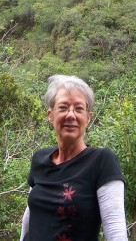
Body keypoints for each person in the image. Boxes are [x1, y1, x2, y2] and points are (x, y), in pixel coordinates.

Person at [20, 74, 128, 241]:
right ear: (51, 115)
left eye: (79, 108)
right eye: (63, 107)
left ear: (88, 117)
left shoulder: (101, 161)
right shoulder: (40, 159)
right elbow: (30, 217)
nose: (71, 115)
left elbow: (115, 231)